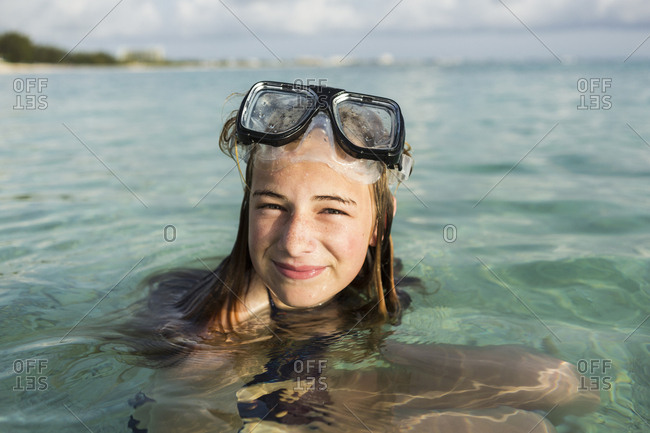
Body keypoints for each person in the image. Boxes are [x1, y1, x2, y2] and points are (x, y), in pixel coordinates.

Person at [125, 80, 599, 432]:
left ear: (377, 224)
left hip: (334, 381)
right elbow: (175, 408)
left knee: (564, 386)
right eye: (272, 206)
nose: (295, 241)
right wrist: (231, 322)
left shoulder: (379, 292)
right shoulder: (184, 302)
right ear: (246, 207)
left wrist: (375, 353)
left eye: (331, 209)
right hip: (257, 403)